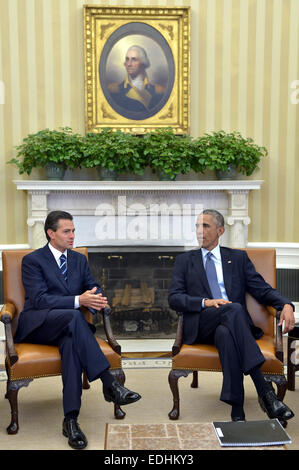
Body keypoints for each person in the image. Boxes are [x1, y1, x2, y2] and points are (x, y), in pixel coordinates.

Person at [14, 211, 141, 450]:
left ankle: (70, 420)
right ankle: (109, 383)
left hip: (68, 328)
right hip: (39, 325)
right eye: (66, 231)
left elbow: (94, 286)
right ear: (51, 234)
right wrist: (78, 301)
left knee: (72, 345)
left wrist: (96, 297)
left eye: (73, 231)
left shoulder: (78, 260)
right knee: (74, 316)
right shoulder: (33, 260)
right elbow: (40, 300)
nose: (72, 236)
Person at [168, 209, 295, 422]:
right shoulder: (185, 261)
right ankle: (266, 393)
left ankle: (237, 412)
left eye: (205, 226)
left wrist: (286, 304)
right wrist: (205, 302)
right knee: (234, 308)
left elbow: (262, 290)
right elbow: (174, 298)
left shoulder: (237, 258)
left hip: (231, 326)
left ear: (220, 231)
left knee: (226, 333)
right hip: (202, 323)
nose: (200, 231)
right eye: (197, 226)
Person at [107, 45, 165, 114]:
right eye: (127, 59)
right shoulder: (114, 90)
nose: (129, 64)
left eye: (134, 59)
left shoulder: (158, 91)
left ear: (143, 63)